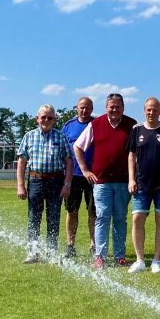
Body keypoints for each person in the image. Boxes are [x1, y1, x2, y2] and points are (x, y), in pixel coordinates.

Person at [74, 93, 137, 269]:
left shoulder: (132, 125)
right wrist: (85, 170)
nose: (115, 109)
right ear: (106, 108)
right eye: (111, 106)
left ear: (123, 107)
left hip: (124, 181)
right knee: (102, 218)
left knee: (120, 218)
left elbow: (137, 153)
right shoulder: (95, 124)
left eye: (118, 106)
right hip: (101, 182)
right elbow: (78, 146)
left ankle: (120, 256)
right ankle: (99, 256)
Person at [15, 104, 73, 263]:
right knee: (34, 217)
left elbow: (69, 161)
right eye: (43, 117)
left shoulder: (60, 137)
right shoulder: (29, 136)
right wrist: (20, 185)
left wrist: (67, 184)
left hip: (56, 181)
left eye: (50, 117)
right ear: (37, 119)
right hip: (35, 181)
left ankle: (51, 253)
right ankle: (33, 253)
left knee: (53, 218)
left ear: (54, 120)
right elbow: (22, 162)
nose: (46, 120)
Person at [127, 97, 160, 274]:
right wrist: (131, 179)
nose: (151, 112)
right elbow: (131, 157)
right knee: (137, 219)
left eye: (155, 109)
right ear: (144, 110)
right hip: (141, 184)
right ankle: (140, 260)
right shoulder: (136, 130)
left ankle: (156, 260)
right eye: (149, 109)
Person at [61, 97, 96, 258]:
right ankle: (70, 245)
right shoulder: (68, 126)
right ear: (77, 108)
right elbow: (62, 150)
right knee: (72, 211)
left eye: (88, 108)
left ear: (92, 108)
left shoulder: (97, 125)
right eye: (82, 107)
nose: (84, 110)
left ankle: (94, 245)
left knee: (93, 213)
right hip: (73, 175)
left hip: (92, 176)